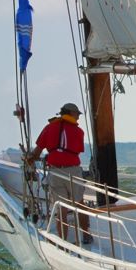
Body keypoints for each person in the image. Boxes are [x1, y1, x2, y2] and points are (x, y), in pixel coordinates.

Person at [35, 101, 88, 236]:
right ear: (71, 113)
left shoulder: (49, 128)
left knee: (61, 208)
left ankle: (63, 240)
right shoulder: (78, 131)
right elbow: (78, 150)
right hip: (73, 171)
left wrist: (30, 159)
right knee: (80, 204)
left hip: (55, 172)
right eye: (77, 114)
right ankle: (86, 235)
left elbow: (37, 151)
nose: (78, 117)